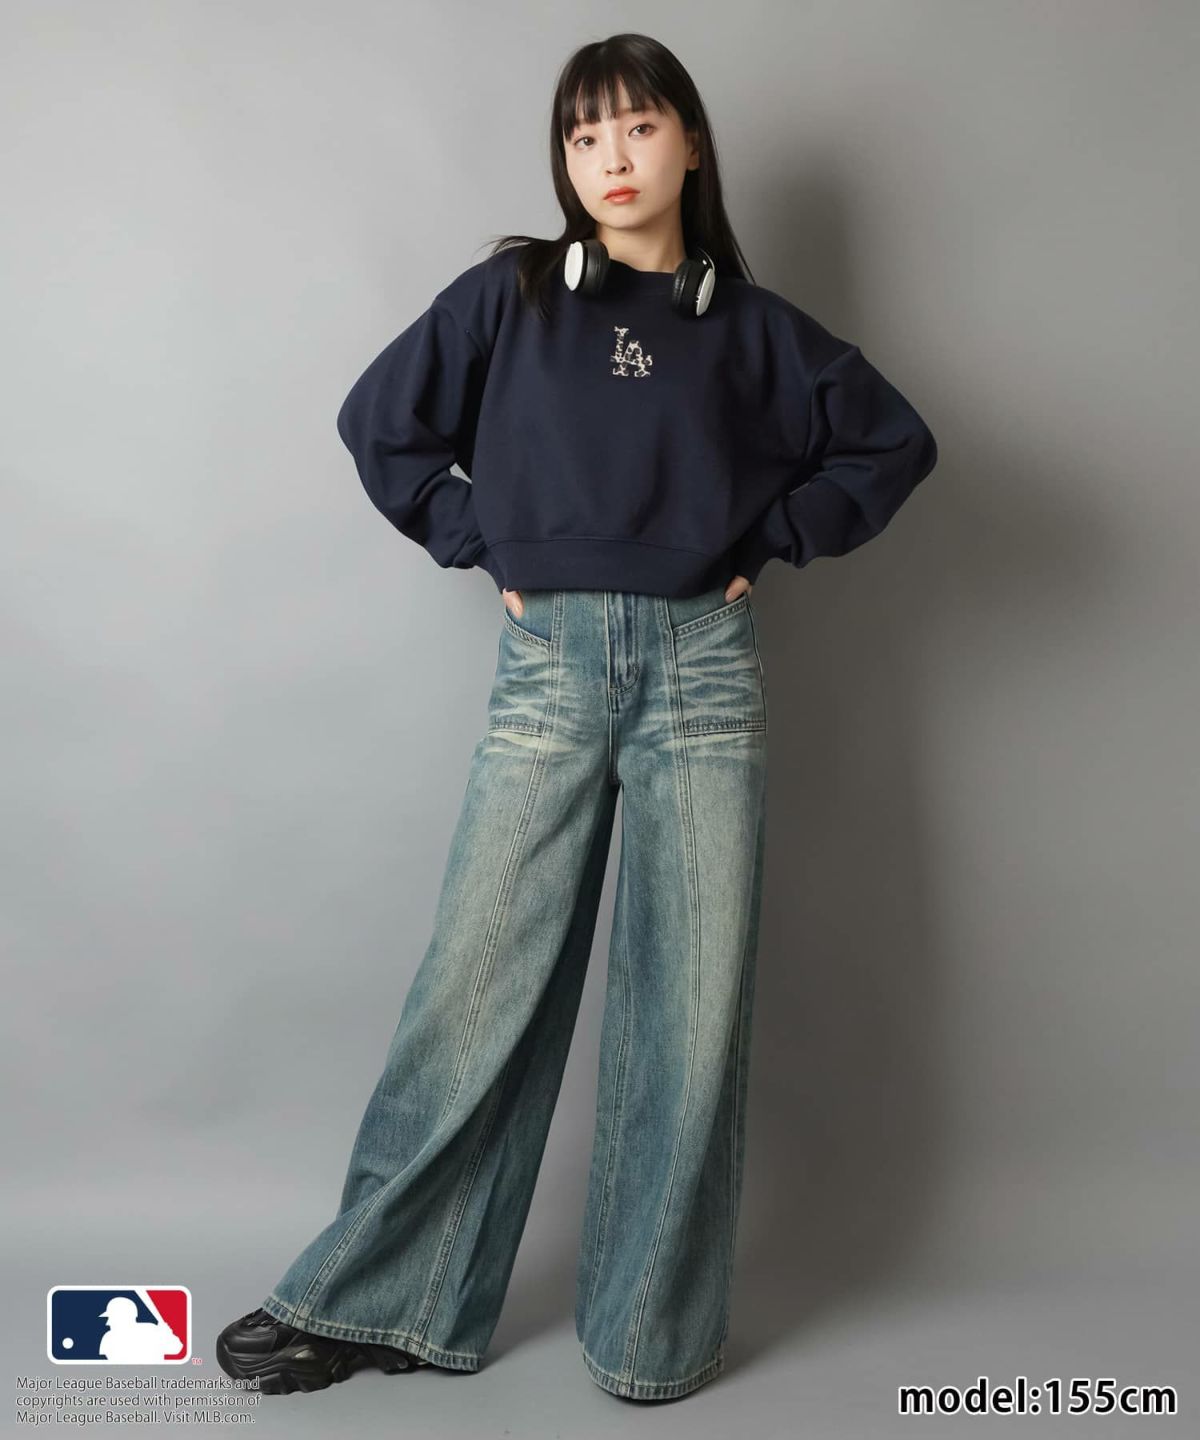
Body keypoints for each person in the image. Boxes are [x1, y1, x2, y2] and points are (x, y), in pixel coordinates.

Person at [215, 32, 938, 1404]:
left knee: (690, 1010)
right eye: (584, 134)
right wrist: (480, 538)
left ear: (691, 144)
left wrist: (773, 537)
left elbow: (893, 442)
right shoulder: (511, 299)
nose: (611, 157)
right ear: (564, 158)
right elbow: (382, 424)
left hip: (702, 673)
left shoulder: (755, 329)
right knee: (477, 984)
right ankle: (383, 1302)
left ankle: (649, 1337)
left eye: (638, 127)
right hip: (551, 667)